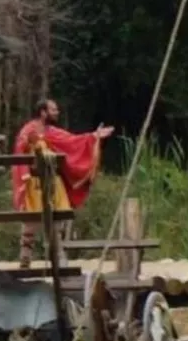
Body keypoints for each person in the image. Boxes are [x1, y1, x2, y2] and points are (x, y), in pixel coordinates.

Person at [10, 98, 114, 265]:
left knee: (57, 222)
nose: (57, 112)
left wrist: (94, 136)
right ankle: (25, 257)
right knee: (30, 222)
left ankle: (58, 257)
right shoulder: (28, 130)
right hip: (34, 183)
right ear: (43, 112)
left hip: (53, 182)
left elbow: (74, 141)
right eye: (53, 110)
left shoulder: (53, 132)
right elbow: (20, 151)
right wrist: (33, 143)